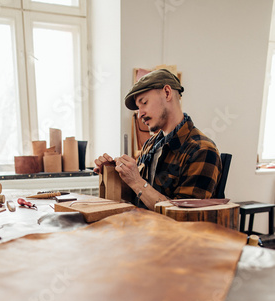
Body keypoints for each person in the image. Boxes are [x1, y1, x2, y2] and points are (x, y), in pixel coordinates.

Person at [94, 68, 222, 211]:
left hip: (172, 233)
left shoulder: (201, 150)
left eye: (144, 103)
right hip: (145, 228)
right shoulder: (150, 144)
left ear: (167, 93)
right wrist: (113, 174)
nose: (139, 114)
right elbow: (140, 195)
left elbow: (184, 216)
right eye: (138, 107)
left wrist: (136, 181)